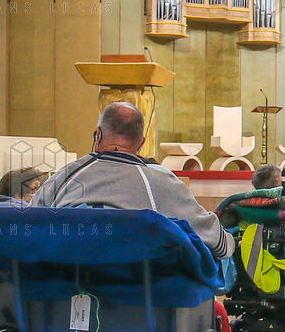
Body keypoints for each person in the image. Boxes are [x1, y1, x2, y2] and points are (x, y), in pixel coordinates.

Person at [33, 102, 233, 259]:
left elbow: (30, 228)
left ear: (98, 134)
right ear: (141, 143)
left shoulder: (64, 177)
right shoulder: (160, 182)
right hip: (141, 292)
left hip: (65, 288)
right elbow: (219, 243)